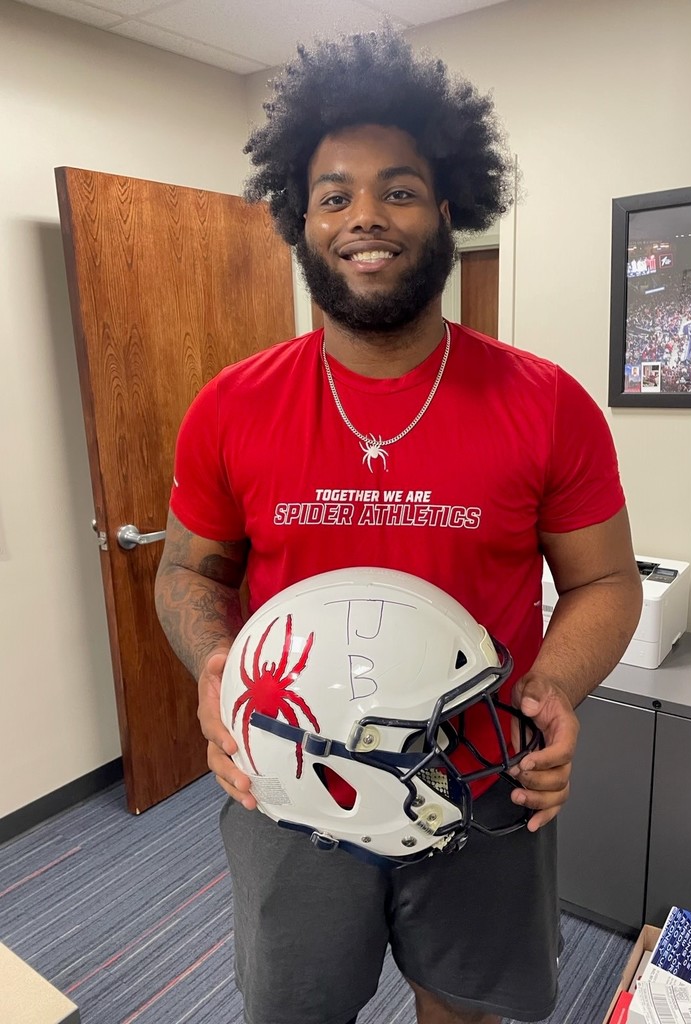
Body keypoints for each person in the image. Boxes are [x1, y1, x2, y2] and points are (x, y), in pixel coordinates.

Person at [154, 27, 642, 1024]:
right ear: (301, 221)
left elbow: (606, 581)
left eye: (400, 190)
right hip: (291, 777)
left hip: (484, 771)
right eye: (334, 195)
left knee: (463, 1008)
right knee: (297, 1011)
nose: (365, 216)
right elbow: (186, 571)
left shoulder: (546, 403)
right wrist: (214, 669)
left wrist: (552, 688)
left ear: (447, 211)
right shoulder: (230, 407)